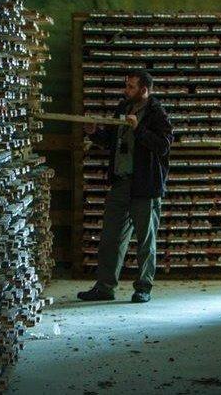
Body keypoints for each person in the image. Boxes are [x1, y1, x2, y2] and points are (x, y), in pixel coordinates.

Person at [78, 70, 173, 303]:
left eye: (131, 87)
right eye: (126, 85)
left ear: (144, 90)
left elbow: (163, 146)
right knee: (110, 239)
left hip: (145, 187)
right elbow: (112, 141)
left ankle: (143, 288)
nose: (126, 90)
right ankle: (104, 287)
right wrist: (94, 133)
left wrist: (139, 129)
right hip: (121, 183)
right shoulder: (122, 108)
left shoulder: (157, 113)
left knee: (145, 242)